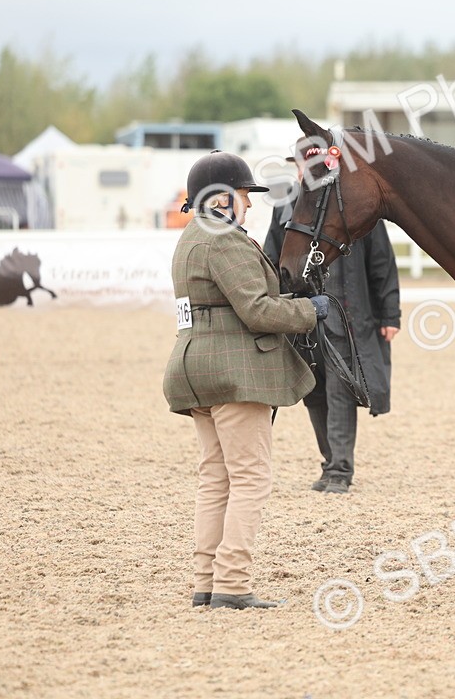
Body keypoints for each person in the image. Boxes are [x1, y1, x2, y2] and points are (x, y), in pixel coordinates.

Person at [163, 151, 329, 610]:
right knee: (251, 478)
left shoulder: (190, 238)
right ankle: (233, 583)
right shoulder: (224, 240)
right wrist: (309, 311)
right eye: (243, 194)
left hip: (195, 370)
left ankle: (206, 581)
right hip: (233, 373)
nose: (250, 204)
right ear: (220, 198)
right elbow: (256, 310)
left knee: (215, 478)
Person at [265, 157, 401, 495]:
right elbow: (272, 258)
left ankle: (340, 469)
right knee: (313, 393)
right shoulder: (284, 207)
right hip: (302, 317)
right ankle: (329, 462)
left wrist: (390, 315)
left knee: (341, 392)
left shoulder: (356, 203)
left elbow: (382, 262)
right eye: (300, 166)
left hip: (346, 319)